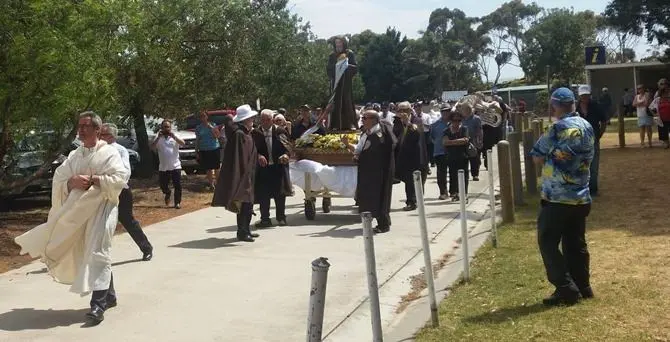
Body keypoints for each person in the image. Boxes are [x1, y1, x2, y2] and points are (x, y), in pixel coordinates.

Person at [15, 111, 129, 324]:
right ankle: (109, 294)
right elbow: (60, 178)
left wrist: (94, 179)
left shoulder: (109, 153)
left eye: (86, 126)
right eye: (80, 126)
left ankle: (98, 305)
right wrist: (70, 183)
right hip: (77, 212)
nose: (82, 129)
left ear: (97, 129)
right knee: (90, 250)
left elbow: (120, 179)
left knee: (98, 250)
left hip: (102, 208)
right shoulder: (75, 156)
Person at [529, 87, 595, 306]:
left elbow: (537, 157)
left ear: (555, 106)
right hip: (581, 196)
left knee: (547, 241)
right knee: (575, 242)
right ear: (574, 104)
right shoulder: (587, 126)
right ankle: (583, 286)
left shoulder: (556, 129)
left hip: (557, 198)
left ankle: (566, 288)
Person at [100, 123, 153, 261]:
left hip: (120, 191)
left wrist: (110, 178)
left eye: (102, 134)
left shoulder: (120, 150)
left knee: (127, 220)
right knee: (100, 223)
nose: (99, 137)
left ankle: (146, 248)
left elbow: (125, 172)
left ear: (111, 136)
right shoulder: (96, 150)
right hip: (102, 190)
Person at [212, 104, 260, 242]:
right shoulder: (240, 134)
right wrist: (244, 174)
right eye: (251, 118)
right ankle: (242, 231)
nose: (253, 121)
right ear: (245, 120)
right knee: (244, 203)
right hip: (244, 175)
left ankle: (247, 229)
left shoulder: (246, 133)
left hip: (249, 173)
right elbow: (240, 157)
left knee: (249, 204)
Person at [344, 109, 396, 233]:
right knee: (369, 197)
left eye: (365, 118)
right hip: (368, 171)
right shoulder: (366, 133)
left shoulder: (381, 133)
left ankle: (383, 224)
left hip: (380, 172)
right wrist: (347, 145)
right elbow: (360, 149)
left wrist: (362, 155)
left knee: (381, 196)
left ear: (373, 120)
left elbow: (389, 147)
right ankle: (376, 220)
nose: (362, 120)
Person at [252, 109, 292, 227]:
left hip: (278, 167)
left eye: (268, 120)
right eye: (263, 120)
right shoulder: (256, 133)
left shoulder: (280, 131)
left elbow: (288, 147)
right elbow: (252, 150)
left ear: (272, 120)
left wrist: (286, 155)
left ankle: (281, 217)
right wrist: (258, 156)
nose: (265, 122)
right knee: (263, 194)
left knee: (280, 194)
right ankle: (265, 219)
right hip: (263, 168)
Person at [576, 85, 607, 196]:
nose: (585, 97)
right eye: (582, 95)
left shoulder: (596, 106)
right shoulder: (575, 108)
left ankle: (593, 190)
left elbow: (604, 121)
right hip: (578, 141)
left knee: (593, 166)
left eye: (586, 94)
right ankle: (581, 189)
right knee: (579, 166)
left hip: (593, 139)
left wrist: (599, 135)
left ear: (590, 94)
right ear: (579, 95)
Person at [394, 101, 426, 211]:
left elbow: (417, 132)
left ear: (410, 110)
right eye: (400, 110)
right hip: (403, 155)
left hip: (415, 155)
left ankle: (413, 201)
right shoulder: (397, 122)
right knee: (408, 179)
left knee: (416, 180)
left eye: (405, 110)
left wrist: (408, 122)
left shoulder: (417, 120)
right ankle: (411, 200)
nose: (402, 113)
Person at [151, 119, 185, 209]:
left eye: (168, 127)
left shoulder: (175, 136)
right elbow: (152, 147)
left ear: (170, 128)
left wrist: (174, 137)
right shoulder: (158, 137)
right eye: (164, 127)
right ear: (161, 128)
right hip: (163, 167)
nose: (166, 129)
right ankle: (167, 192)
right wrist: (158, 137)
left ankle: (177, 203)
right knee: (163, 185)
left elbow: (183, 143)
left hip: (175, 166)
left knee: (177, 185)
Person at [327, 35, 358, 131]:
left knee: (347, 102)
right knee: (335, 103)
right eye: (336, 43)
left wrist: (346, 66)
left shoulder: (350, 53)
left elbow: (355, 68)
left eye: (340, 43)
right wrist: (337, 66)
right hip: (336, 84)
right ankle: (335, 124)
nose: (338, 45)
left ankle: (350, 124)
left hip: (346, 84)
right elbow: (329, 69)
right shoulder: (332, 55)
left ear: (344, 43)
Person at [442, 107, 471, 202]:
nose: (457, 122)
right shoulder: (446, 131)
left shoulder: (464, 129)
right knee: (453, 176)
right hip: (451, 157)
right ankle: (455, 194)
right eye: (455, 120)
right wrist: (458, 141)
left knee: (464, 176)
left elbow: (465, 140)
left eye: (459, 120)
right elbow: (445, 142)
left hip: (463, 156)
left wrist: (452, 141)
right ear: (451, 120)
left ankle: (464, 194)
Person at [195, 110, 222, 190]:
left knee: (217, 167)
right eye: (201, 116)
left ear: (207, 116)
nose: (202, 118)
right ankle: (211, 184)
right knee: (208, 168)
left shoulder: (213, 125)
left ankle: (219, 184)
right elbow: (197, 140)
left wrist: (211, 128)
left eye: (204, 116)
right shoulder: (198, 128)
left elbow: (217, 136)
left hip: (214, 148)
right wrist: (196, 151)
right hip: (204, 149)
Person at [430, 103, 452, 200]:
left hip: (453, 151)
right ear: (441, 112)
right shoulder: (435, 125)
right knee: (441, 174)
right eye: (444, 111)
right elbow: (432, 138)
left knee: (453, 173)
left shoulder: (455, 122)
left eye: (448, 111)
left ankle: (454, 191)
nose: (446, 113)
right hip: (439, 152)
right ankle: (443, 192)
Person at [461, 100, 483, 181]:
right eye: (463, 109)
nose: (465, 110)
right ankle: (464, 175)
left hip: (474, 140)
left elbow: (479, 131)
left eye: (467, 109)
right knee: (464, 159)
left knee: (474, 159)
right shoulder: (460, 119)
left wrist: (480, 141)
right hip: (463, 141)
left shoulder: (476, 118)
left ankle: (475, 175)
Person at [650, 78, 670, 149]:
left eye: (664, 84)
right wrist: (655, 115)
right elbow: (652, 107)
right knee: (663, 131)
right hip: (662, 117)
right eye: (661, 84)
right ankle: (666, 142)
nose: (663, 86)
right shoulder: (657, 95)